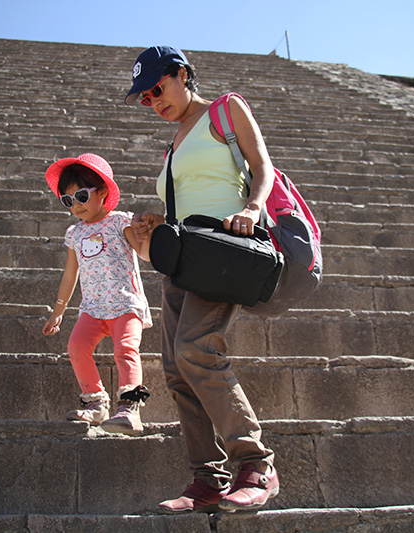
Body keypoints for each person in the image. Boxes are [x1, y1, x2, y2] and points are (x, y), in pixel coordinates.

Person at [125, 46, 279, 513]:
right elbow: (185, 204)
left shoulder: (225, 110)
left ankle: (256, 464)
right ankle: (208, 479)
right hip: (182, 261)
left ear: (182, 74)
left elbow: (262, 166)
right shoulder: (173, 144)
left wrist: (252, 208)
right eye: (146, 98)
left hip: (222, 252)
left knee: (196, 349)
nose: (154, 101)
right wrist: (156, 223)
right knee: (176, 370)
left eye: (158, 89)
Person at [42, 153, 152, 436]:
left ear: (102, 192)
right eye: (68, 201)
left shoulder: (120, 221)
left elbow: (144, 254)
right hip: (92, 307)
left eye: (81, 196)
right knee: (76, 347)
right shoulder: (74, 233)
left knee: (125, 350)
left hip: (125, 303)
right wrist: (58, 311)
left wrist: (148, 235)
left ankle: (129, 408)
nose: (76, 205)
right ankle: (95, 403)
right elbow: (70, 275)